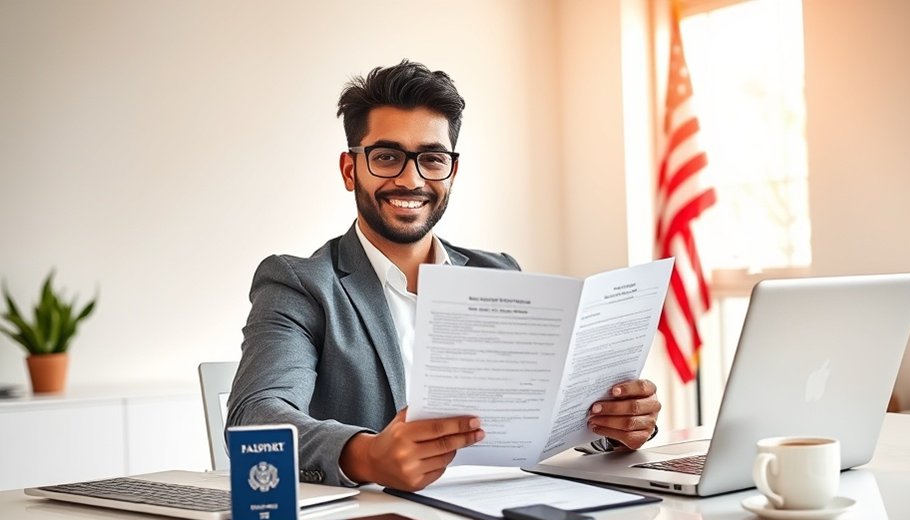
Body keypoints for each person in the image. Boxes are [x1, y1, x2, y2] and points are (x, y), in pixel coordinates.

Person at [226, 60, 661, 492]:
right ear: (349, 169)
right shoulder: (300, 284)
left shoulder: (500, 272)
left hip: (506, 516)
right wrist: (369, 456)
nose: (410, 179)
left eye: (431, 159)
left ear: (451, 171)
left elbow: (541, 415)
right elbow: (256, 416)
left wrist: (613, 427)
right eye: (386, 157)